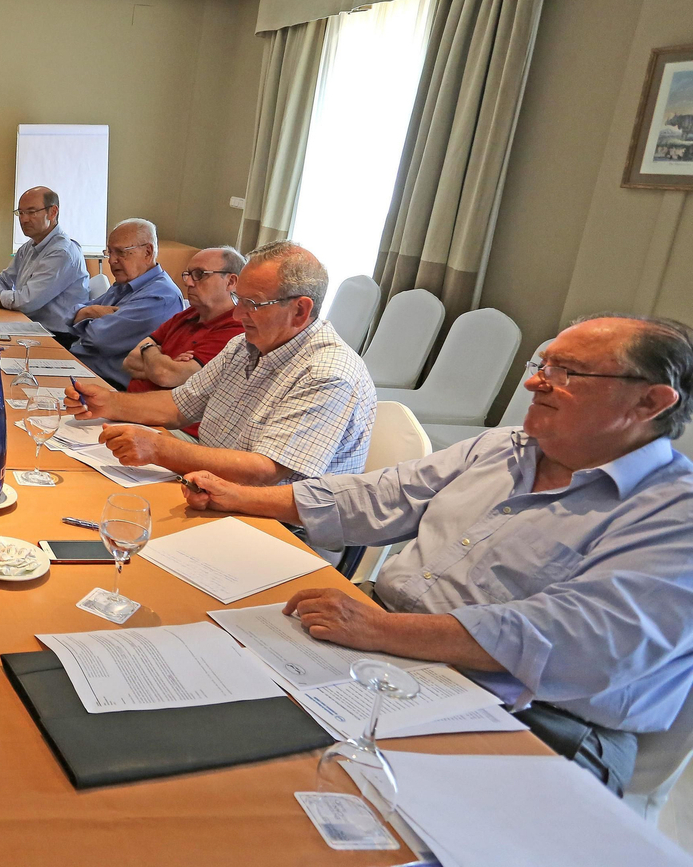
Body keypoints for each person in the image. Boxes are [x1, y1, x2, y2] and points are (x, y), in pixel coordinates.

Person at [178, 315, 693, 794]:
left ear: (650, 403)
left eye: (567, 372)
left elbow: (577, 642)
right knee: (208, 696)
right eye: (542, 365)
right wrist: (237, 496)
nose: (535, 382)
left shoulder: (672, 514)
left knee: (310, 790)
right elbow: (382, 496)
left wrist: (379, 631)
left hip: (535, 717)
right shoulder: (502, 447)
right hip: (393, 646)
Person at [66, 241, 374, 484]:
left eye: (252, 305)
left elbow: (265, 470)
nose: (238, 316)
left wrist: (158, 449)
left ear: (300, 311)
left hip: (274, 525)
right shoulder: (245, 344)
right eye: (239, 301)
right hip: (209, 483)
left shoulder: (326, 373)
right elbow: (177, 406)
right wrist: (109, 403)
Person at [123, 246, 247, 437]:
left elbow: (166, 375)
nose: (188, 282)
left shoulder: (236, 328)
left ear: (231, 281)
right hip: (134, 411)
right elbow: (130, 361)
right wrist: (166, 364)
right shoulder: (188, 314)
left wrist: (150, 350)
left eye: (199, 274)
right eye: (188, 274)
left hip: (175, 429)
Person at [0, 186, 89, 339]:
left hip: (56, 336)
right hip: (28, 325)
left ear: (53, 212)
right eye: (21, 213)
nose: (24, 219)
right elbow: (4, 280)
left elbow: (25, 301)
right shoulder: (30, 246)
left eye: (31, 212)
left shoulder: (62, 252)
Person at [66, 219, 183, 387]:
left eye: (120, 252)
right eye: (110, 252)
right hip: (80, 368)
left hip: (108, 384)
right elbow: (70, 316)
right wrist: (90, 312)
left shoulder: (161, 296)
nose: (112, 260)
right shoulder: (125, 284)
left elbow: (98, 339)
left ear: (148, 252)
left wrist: (84, 317)